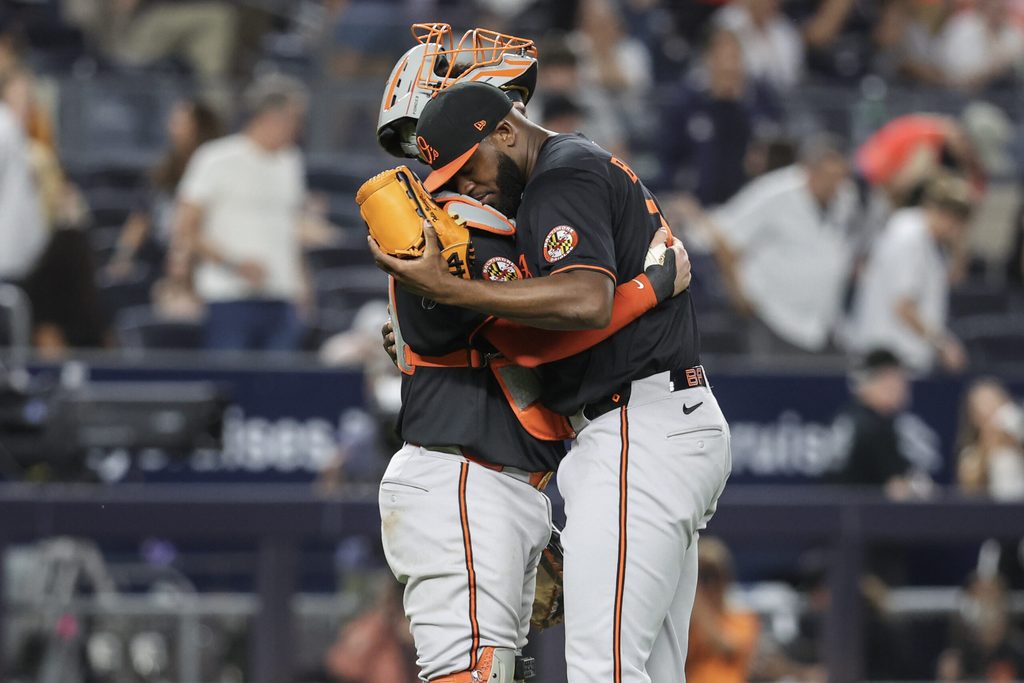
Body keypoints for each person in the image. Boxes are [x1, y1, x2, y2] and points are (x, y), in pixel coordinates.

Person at [371, 81, 732, 683]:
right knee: (646, 669)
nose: (466, 187)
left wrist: (449, 292)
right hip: (662, 421)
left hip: (636, 427)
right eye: (452, 181)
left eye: (469, 168)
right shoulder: (574, 169)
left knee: (602, 669)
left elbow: (584, 301)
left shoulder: (559, 177)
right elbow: (526, 339)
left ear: (507, 131)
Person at [172, 74, 309, 351]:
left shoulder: (292, 161)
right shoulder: (215, 158)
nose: (298, 128)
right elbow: (185, 226)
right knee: (230, 386)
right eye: (294, 119)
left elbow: (291, 230)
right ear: (272, 117)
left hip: (282, 298)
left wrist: (303, 289)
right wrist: (233, 264)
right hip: (228, 298)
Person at [692, 135, 857, 353]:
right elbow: (721, 236)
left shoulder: (845, 198)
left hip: (822, 324)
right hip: (774, 318)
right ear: (809, 170)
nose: (835, 185)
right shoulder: (775, 192)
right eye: (829, 178)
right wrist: (739, 295)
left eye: (840, 177)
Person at [850, 174, 972, 373]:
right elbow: (903, 306)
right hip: (888, 358)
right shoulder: (908, 236)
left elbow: (955, 278)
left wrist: (959, 244)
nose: (957, 230)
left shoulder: (928, 240)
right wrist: (942, 345)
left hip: (902, 357)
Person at [657, 27, 780, 207]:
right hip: (698, 206)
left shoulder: (759, 100)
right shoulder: (688, 102)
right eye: (722, 59)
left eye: (734, 58)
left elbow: (777, 149)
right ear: (708, 60)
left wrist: (740, 106)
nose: (729, 67)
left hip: (750, 205)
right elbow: (669, 158)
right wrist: (677, 195)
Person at [107, 99, 222, 280]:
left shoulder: (218, 169)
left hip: (204, 260)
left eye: (180, 123)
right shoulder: (163, 171)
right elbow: (140, 217)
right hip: (161, 258)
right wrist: (124, 255)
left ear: (199, 128)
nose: (171, 128)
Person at [828, 349, 933, 499]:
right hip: (857, 514)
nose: (903, 389)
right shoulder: (876, 427)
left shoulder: (845, 415)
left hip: (830, 511)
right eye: (898, 381)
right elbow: (897, 489)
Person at [685, 537, 760, 683]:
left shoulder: (742, 617)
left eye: (713, 575)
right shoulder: (687, 620)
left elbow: (726, 646)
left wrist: (692, 592)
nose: (709, 584)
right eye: (702, 575)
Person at [0, 76, 46, 284]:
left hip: (18, 260)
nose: (26, 101)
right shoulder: (4, 127)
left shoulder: (16, 131)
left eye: (29, 96)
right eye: (19, 94)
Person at [956, 378, 1024, 501]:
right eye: (980, 406)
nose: (987, 411)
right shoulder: (970, 453)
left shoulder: (1019, 435)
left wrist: (1015, 443)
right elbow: (969, 488)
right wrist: (988, 446)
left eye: (992, 403)